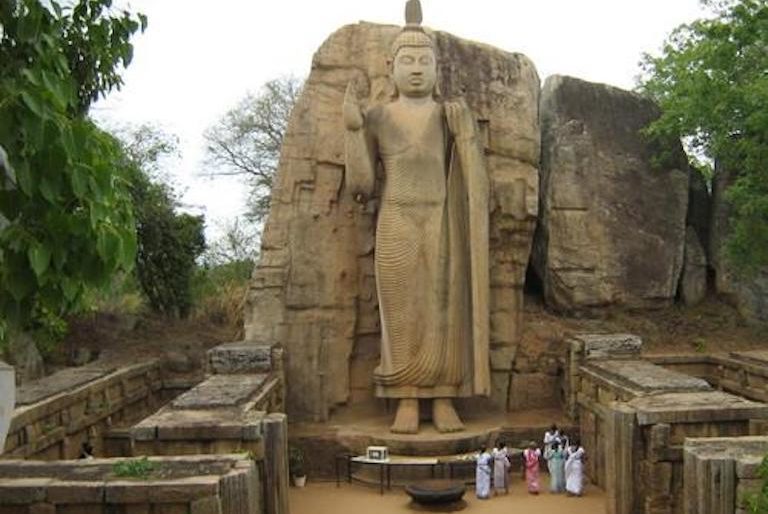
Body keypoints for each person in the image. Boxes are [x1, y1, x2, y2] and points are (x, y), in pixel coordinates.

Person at [344, 0, 490, 434]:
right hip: (397, 217)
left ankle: (444, 397)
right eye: (406, 60)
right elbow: (363, 186)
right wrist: (353, 133)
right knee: (400, 311)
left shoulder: (450, 115)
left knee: (444, 308)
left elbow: (472, 175)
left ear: (437, 68)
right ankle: (406, 398)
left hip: (442, 220)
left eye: (424, 60)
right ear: (390, 66)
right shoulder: (379, 116)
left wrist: (465, 133)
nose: (415, 68)